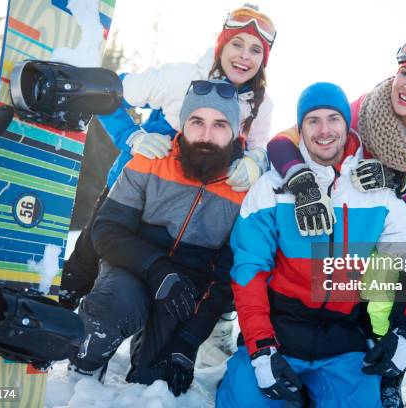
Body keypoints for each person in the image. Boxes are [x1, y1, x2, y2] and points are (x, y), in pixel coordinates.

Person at [59, 3, 276, 361]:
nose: (244, 56)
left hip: (200, 201)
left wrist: (254, 161)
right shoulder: (180, 77)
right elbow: (108, 93)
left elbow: (262, 148)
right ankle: (63, 313)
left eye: (256, 50)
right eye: (238, 44)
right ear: (221, 44)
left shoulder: (260, 105)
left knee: (199, 263)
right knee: (90, 256)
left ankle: (195, 327)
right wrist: (132, 136)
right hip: (135, 184)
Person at [266, 35, 406, 407]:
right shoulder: (365, 109)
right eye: (405, 72)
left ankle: (390, 373)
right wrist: (301, 180)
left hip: (387, 236)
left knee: (403, 271)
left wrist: (399, 186)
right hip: (335, 224)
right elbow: (282, 142)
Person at [216, 82, 406, 408]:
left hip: (343, 340)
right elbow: (248, 271)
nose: (324, 130)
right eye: (313, 120)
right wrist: (261, 350)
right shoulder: (270, 189)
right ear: (300, 129)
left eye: (334, 119)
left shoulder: (377, 194)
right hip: (279, 331)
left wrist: (405, 332)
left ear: (347, 124)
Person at [67, 79, 246, 395]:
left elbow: (226, 279)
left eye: (219, 124)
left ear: (234, 132)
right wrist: (156, 268)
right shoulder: (151, 160)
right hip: (131, 271)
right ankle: (82, 369)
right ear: (183, 125)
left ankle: (150, 354)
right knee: (112, 308)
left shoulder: (244, 190)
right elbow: (106, 230)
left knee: (158, 381)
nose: (206, 135)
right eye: (197, 122)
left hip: (184, 294)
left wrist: (188, 342)